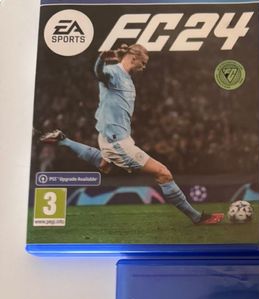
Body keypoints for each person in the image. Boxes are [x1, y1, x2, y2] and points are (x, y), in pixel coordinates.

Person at [40, 43, 223, 225]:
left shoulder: (127, 78)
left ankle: (63, 140)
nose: (144, 66)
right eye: (143, 62)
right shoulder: (113, 71)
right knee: (163, 173)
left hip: (116, 138)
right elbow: (99, 73)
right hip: (117, 141)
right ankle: (196, 217)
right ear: (134, 58)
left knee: (104, 163)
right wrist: (101, 59)